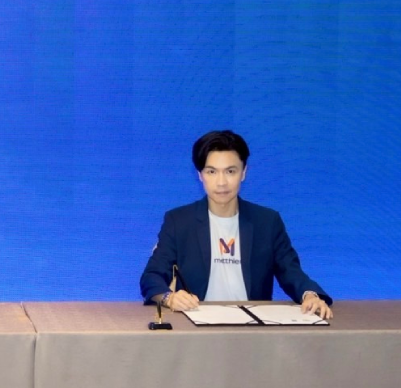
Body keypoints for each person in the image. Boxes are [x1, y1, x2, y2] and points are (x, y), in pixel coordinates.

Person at [139, 130, 333, 319]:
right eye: (212, 172)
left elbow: (290, 271)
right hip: (197, 322)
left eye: (230, 171)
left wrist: (310, 295)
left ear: (243, 172)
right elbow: (152, 276)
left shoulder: (267, 221)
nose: (221, 182)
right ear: (200, 175)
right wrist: (169, 297)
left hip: (252, 326)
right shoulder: (179, 221)